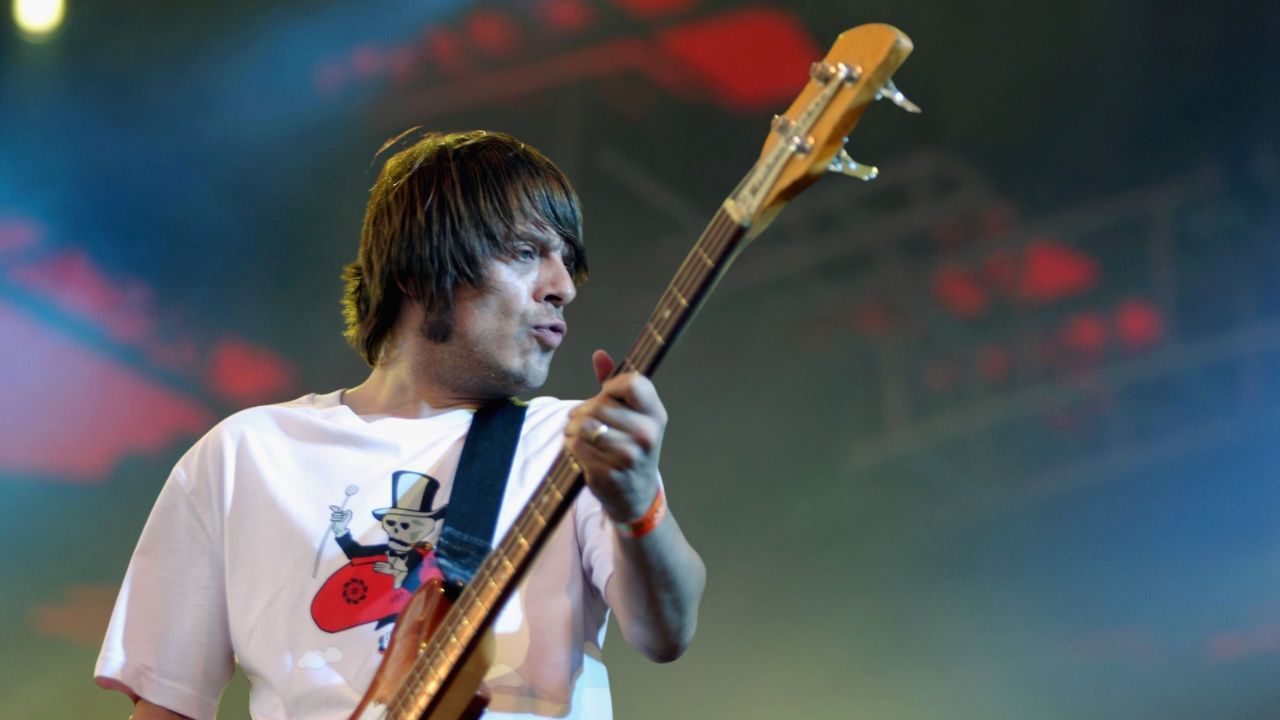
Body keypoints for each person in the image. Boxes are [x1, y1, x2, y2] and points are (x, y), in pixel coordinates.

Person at [95, 130, 706, 719]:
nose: (563, 287)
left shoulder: (572, 441)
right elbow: (167, 706)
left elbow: (666, 633)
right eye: (526, 253)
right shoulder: (244, 454)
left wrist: (638, 504)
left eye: (566, 261)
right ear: (419, 270)